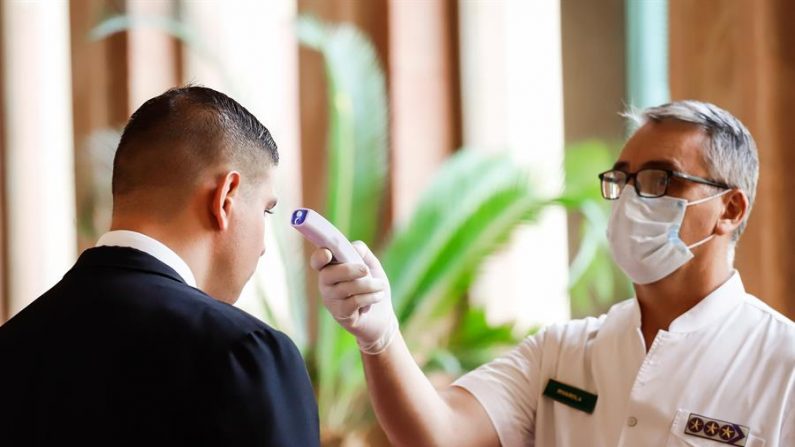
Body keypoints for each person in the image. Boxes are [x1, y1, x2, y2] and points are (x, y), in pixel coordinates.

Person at [309, 100, 795, 446]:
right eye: (622, 180)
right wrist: (380, 334)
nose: (630, 198)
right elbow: (438, 433)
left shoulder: (783, 365)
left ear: (729, 208)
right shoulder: (561, 353)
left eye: (658, 179)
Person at [0, 86, 319, 446]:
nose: (263, 247)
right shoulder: (244, 353)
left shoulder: (11, 348)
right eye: (266, 210)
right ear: (225, 197)